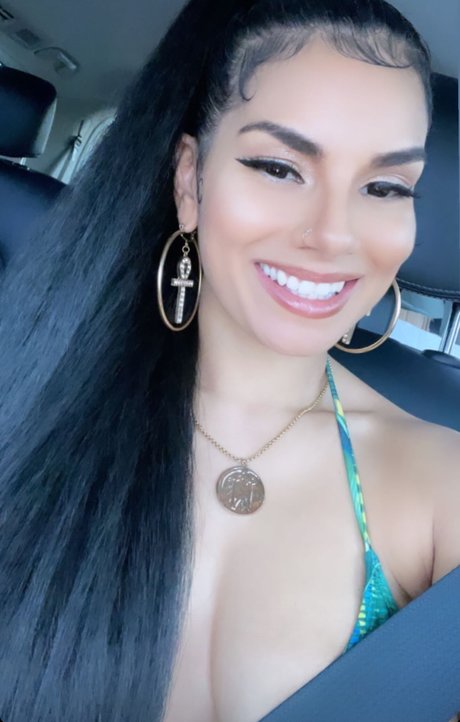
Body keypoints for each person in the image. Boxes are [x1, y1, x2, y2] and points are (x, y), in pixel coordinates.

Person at [0, 0, 459, 721]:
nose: (333, 236)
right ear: (190, 180)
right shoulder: (32, 389)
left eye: (384, 187)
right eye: (279, 167)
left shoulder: (442, 484)